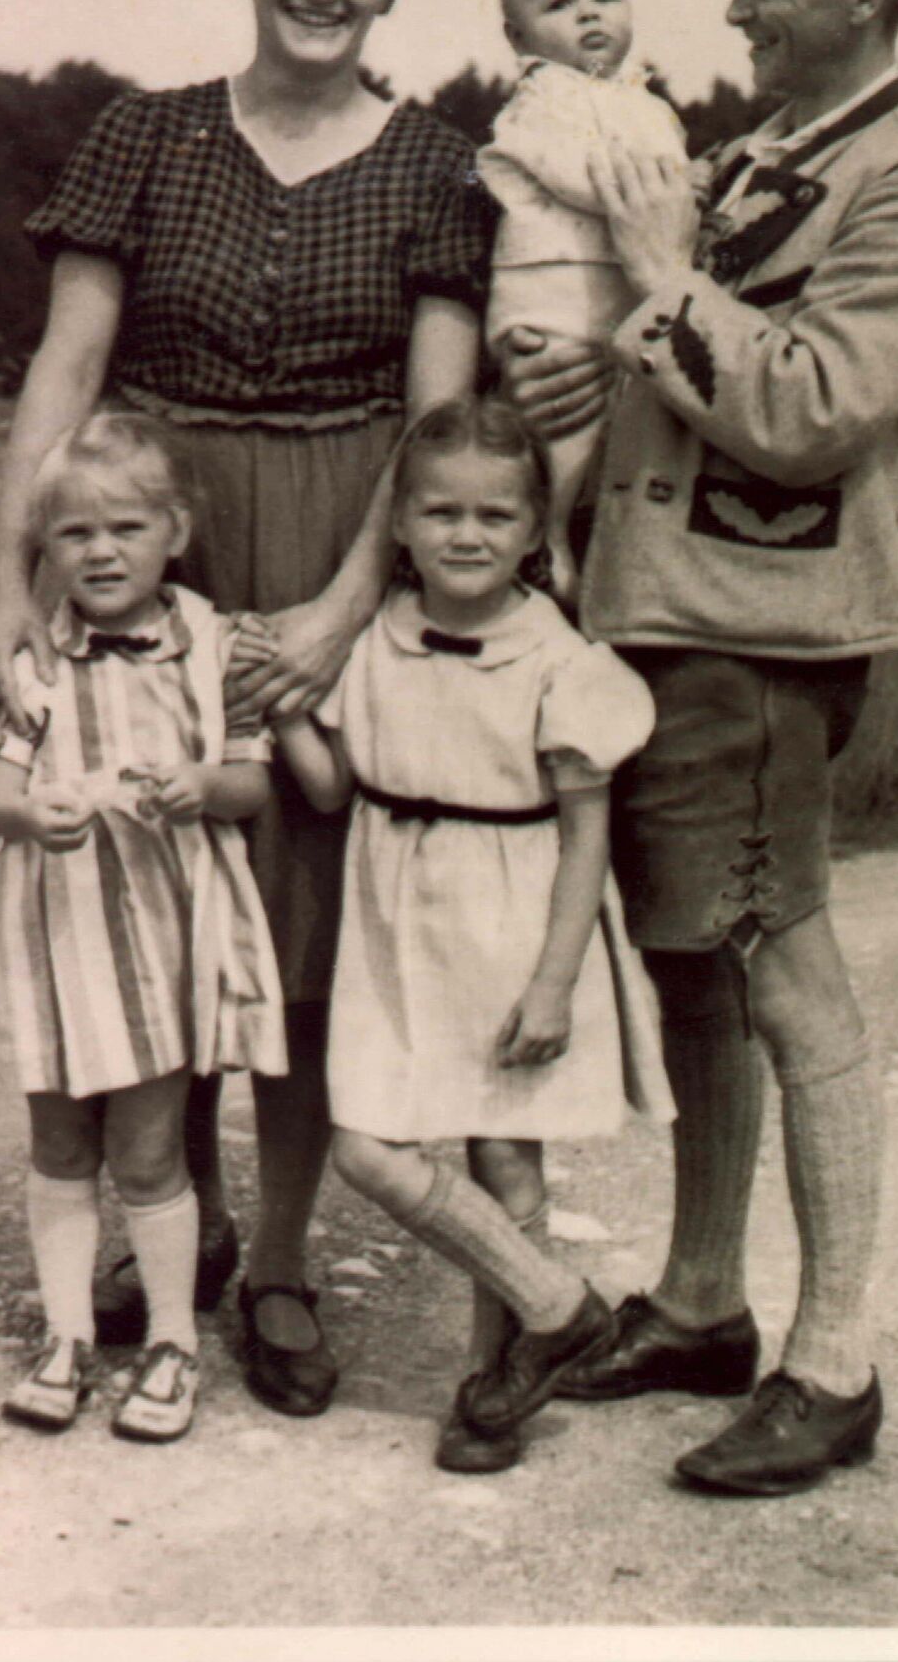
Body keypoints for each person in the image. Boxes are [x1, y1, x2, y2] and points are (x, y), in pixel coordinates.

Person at [0, 0, 495, 1418]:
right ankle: (172, 1222)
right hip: (151, 533)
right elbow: (68, 368)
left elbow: (439, 417)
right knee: (152, 885)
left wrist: (344, 608)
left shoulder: (438, 161)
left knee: (304, 921)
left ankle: (276, 1259)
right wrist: (12, 578)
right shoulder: (144, 135)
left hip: (345, 536)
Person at [508, 0, 898, 1494]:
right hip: (659, 620)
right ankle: (704, 1303)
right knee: (694, 969)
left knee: (780, 966)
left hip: (766, 637)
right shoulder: (745, 162)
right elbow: (665, 348)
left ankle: (835, 1362)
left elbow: (807, 407)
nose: (729, 10)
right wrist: (578, 371)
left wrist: (658, 278)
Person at [274, 397, 674, 1472]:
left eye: (495, 516)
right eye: (441, 512)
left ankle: (494, 1390)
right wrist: (279, 709)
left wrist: (553, 984)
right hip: (395, 920)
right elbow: (332, 787)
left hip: (510, 918)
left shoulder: (559, 659)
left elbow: (587, 839)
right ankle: (560, 1304)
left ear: (536, 530)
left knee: (504, 1154)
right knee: (367, 1145)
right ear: (400, 523)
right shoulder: (376, 638)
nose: (466, 534)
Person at [0, 412, 286, 1444]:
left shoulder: (215, 646)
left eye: (126, 528)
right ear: (46, 546)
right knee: (60, 1140)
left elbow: (250, 782)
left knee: (149, 1148)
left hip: (157, 936)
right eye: (75, 533)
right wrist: (30, 814)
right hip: (54, 934)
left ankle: (171, 1340)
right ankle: (65, 1334)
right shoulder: (33, 659)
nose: (101, 552)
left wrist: (200, 785)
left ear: (175, 531)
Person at [478, 0, 688, 601]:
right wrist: (666, 194)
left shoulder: (646, 104)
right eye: (561, 4)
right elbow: (574, 173)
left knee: (619, 424)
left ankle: (592, 545)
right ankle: (549, 538)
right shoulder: (543, 99)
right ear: (518, 37)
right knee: (565, 417)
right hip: (552, 289)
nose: (589, 14)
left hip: (613, 288)